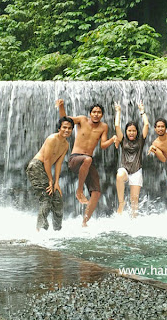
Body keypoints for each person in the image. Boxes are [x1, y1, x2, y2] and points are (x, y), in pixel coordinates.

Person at [57, 98, 116, 226]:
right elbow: (65, 120)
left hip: (87, 162)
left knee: (96, 192)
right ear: (90, 113)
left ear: (102, 114)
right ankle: (79, 191)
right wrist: (61, 106)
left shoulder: (104, 127)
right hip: (75, 159)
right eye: (94, 112)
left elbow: (103, 145)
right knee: (88, 159)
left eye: (99, 112)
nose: (96, 114)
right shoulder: (82, 120)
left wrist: (112, 139)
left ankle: (85, 222)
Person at [26, 116, 73, 231]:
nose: (67, 130)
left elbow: (58, 164)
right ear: (59, 128)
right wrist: (50, 180)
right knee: (46, 198)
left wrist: (56, 182)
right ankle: (40, 230)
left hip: (45, 170)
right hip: (36, 167)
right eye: (64, 127)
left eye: (70, 128)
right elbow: (46, 160)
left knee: (57, 199)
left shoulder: (66, 145)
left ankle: (57, 231)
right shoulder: (52, 139)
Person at [114, 101, 149, 217]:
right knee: (119, 175)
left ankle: (134, 221)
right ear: (126, 132)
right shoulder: (122, 139)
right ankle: (121, 203)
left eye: (134, 130)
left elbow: (146, 125)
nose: (131, 133)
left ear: (137, 132)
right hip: (125, 169)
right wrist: (118, 111)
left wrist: (142, 111)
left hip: (137, 170)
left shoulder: (141, 140)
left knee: (134, 203)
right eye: (129, 130)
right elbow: (117, 126)